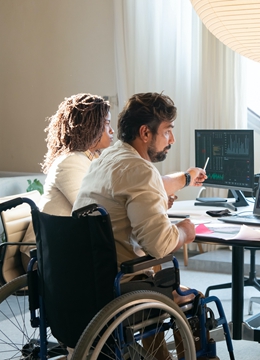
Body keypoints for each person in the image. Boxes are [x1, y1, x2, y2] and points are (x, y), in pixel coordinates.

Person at [73, 91, 207, 274]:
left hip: (88, 279)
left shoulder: (106, 158)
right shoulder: (141, 170)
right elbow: (160, 245)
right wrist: (184, 232)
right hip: (123, 284)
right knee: (200, 299)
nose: (172, 140)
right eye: (167, 131)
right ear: (145, 132)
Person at [21, 93, 114, 263]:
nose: (112, 130)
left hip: (63, 246)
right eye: (107, 123)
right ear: (90, 126)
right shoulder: (70, 161)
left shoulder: (92, 160)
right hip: (42, 256)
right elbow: (89, 210)